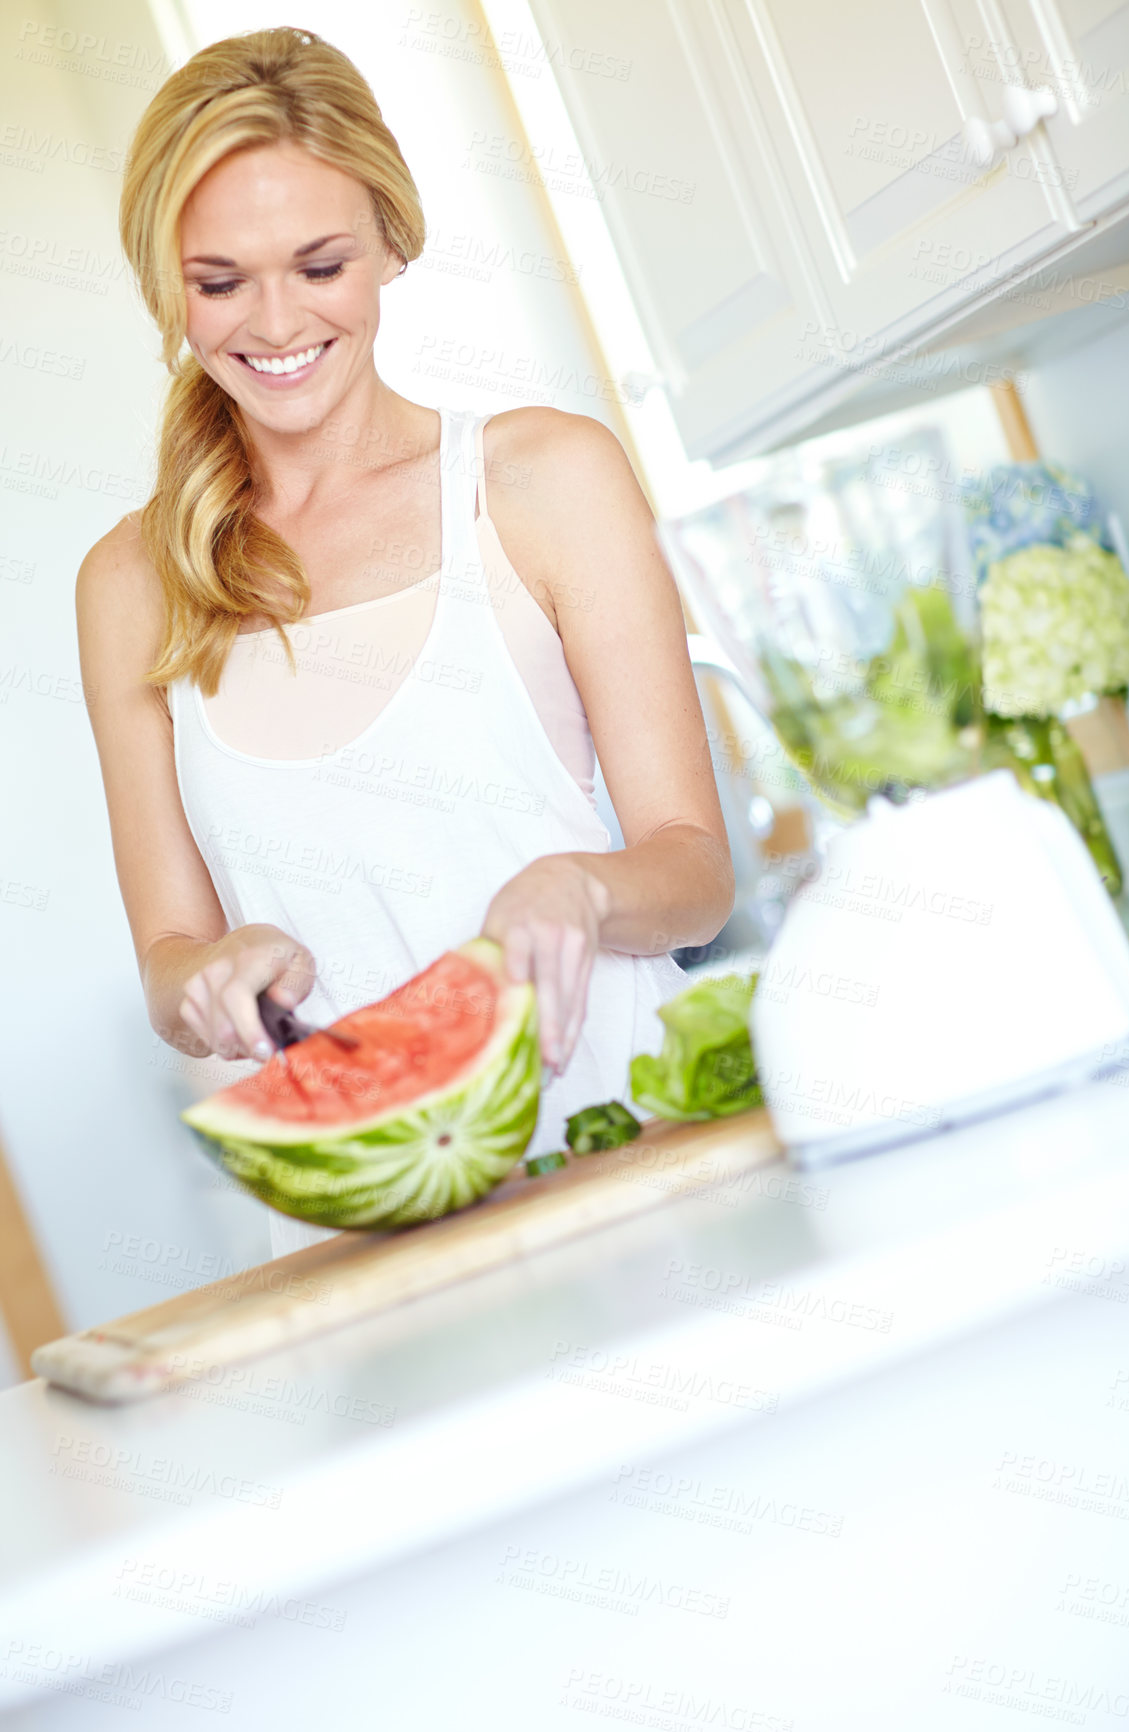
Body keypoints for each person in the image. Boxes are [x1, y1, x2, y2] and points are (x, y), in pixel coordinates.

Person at [76, 26, 734, 1250]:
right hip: (364, 1236)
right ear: (169, 289)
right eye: (219, 283)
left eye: (318, 264)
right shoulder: (131, 581)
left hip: (639, 1169)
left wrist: (583, 887)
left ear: (390, 239)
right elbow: (168, 961)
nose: (274, 324)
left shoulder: (542, 479)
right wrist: (208, 976)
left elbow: (694, 874)